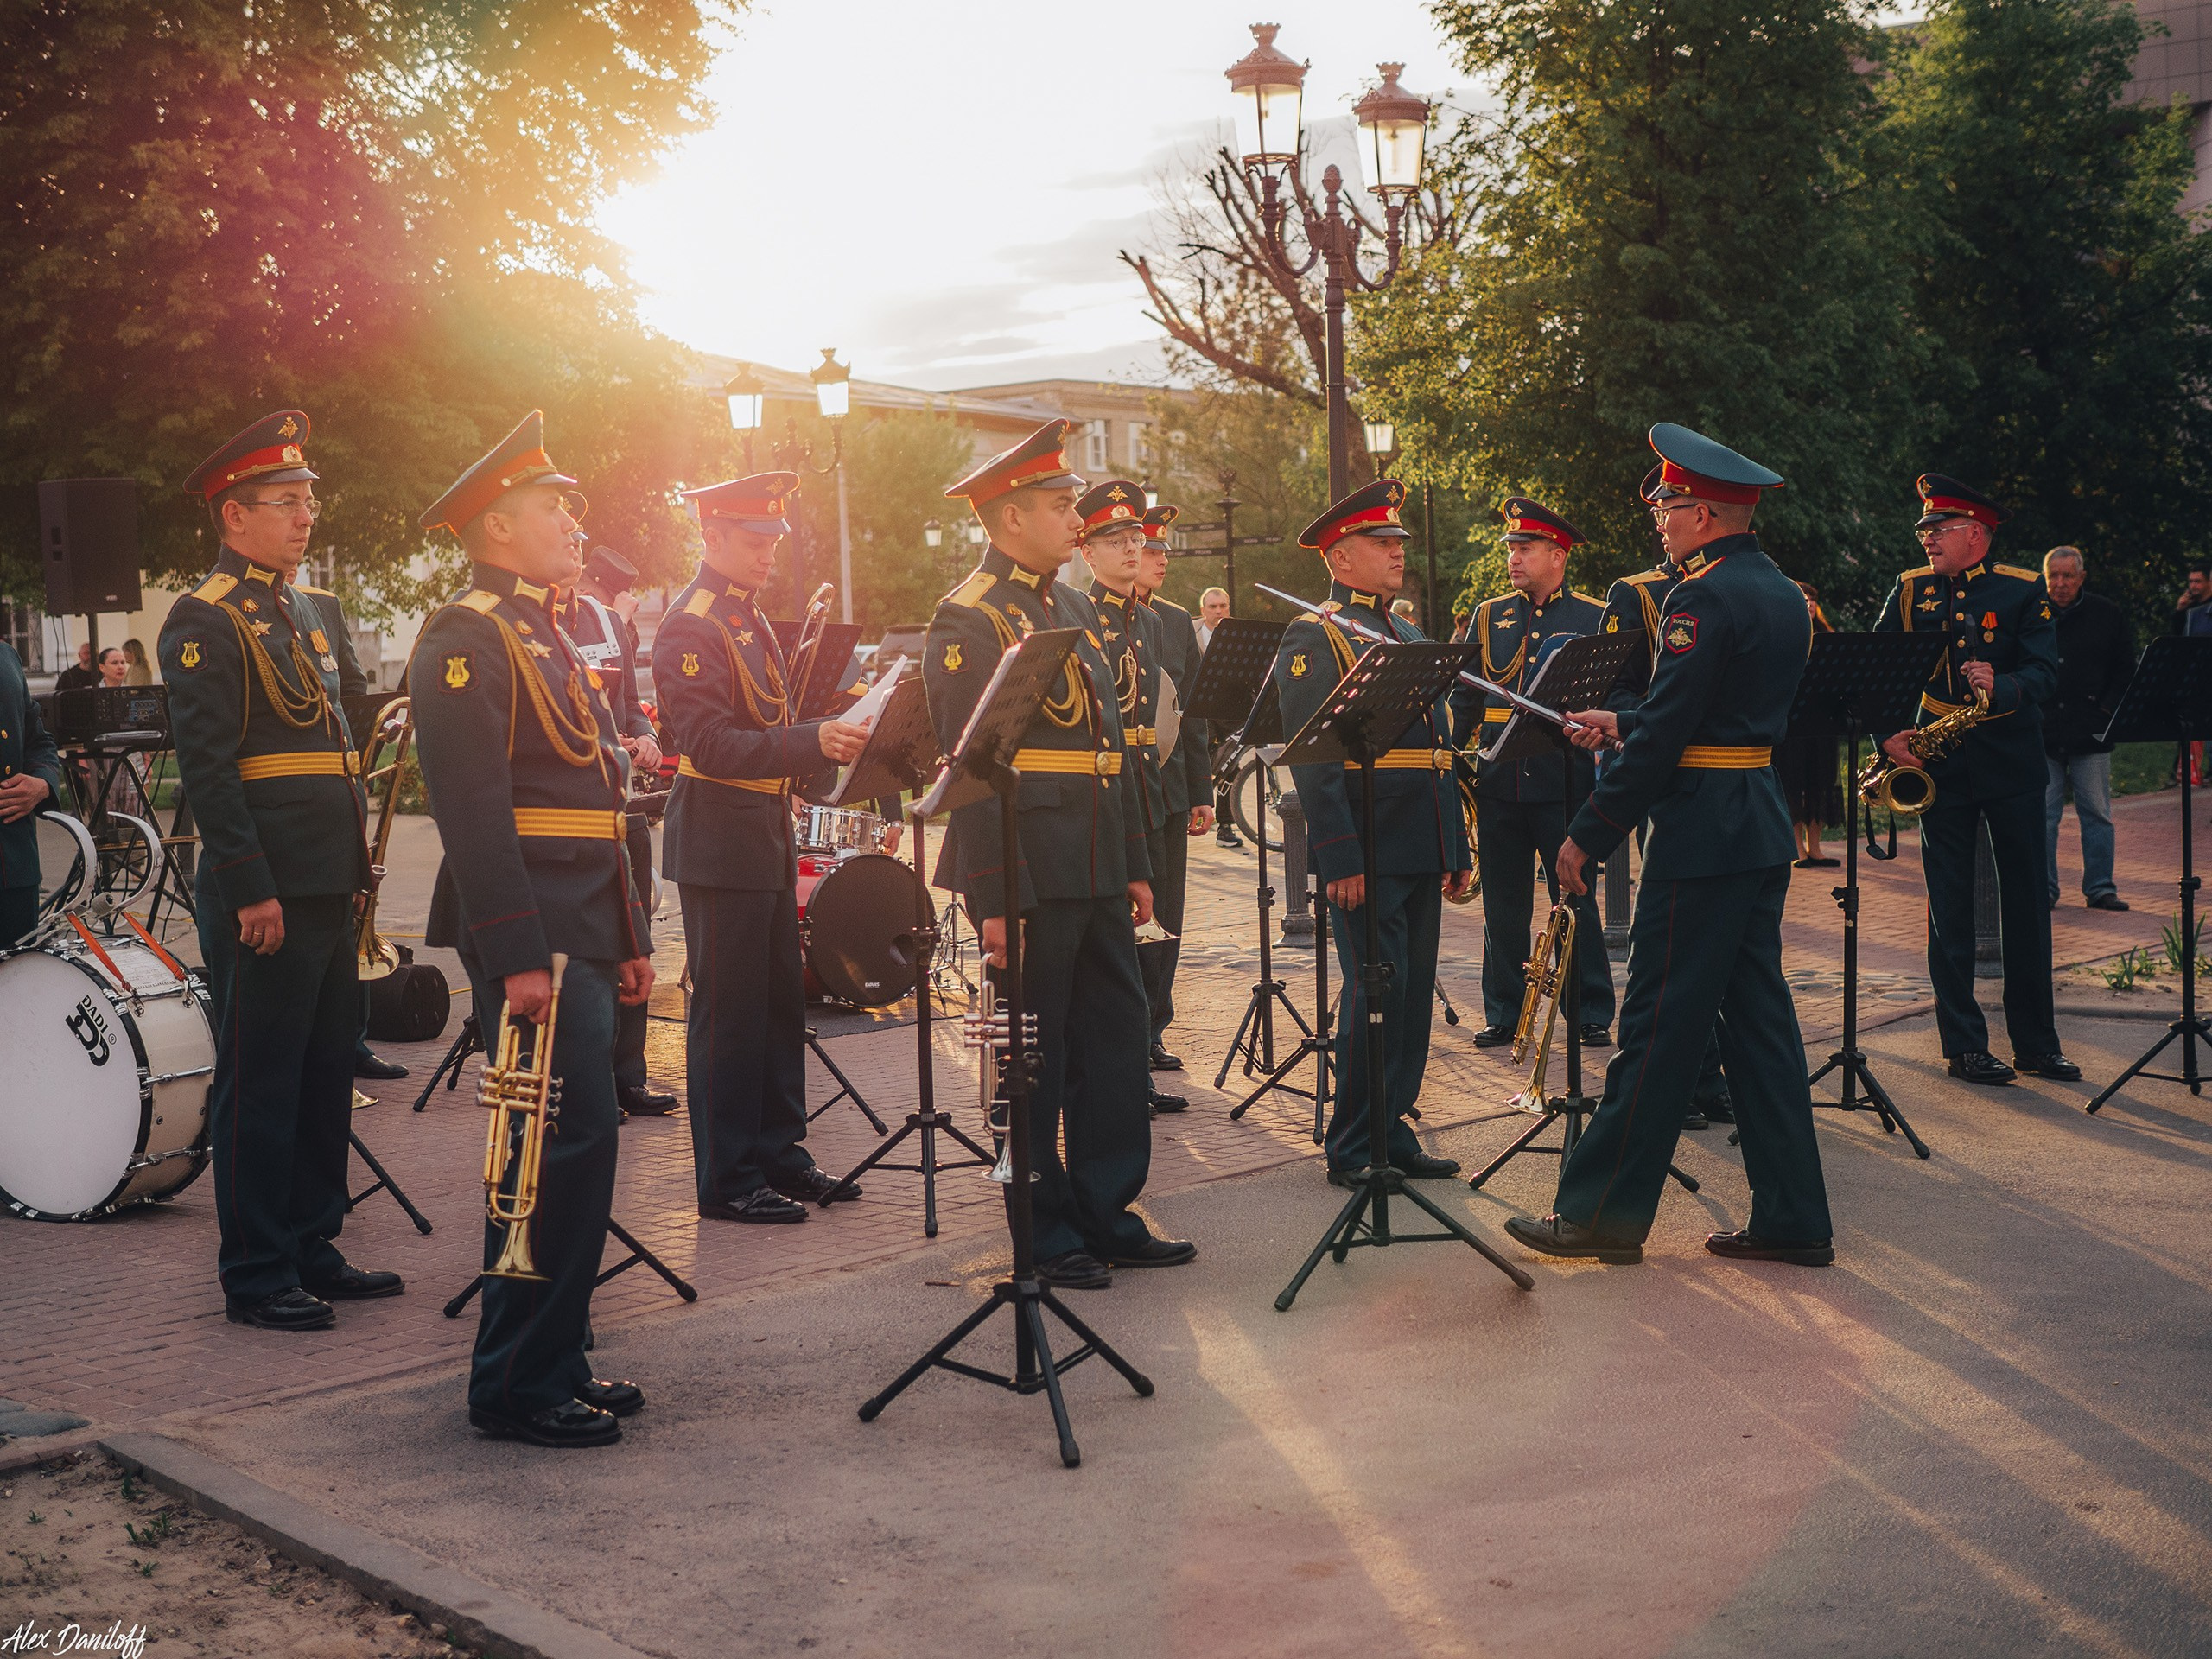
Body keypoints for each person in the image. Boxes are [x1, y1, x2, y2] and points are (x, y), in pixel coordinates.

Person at [1509, 423, 1832, 1267]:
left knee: (1654, 1027)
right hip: (1754, 821)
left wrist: (1589, 834)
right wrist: (1628, 717)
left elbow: (1664, 745)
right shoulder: (1778, 592)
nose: (1659, 517)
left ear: (1708, 511)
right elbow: (1709, 716)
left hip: (1700, 837)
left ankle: (1598, 1217)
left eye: (1670, 504)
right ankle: (1794, 1219)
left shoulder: (1701, 599)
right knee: (1761, 1032)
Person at [409, 410, 654, 1447]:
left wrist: (631, 930)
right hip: (537, 935)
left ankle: (558, 1354)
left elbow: (601, 798)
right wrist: (513, 953)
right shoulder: (465, 634)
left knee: (583, 1150)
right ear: (495, 526)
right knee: (546, 1154)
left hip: (585, 921)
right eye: (554, 507)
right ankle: (513, 1383)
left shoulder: (547, 630)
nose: (573, 521)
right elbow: (470, 810)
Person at [922, 418, 1192, 1288]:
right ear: (1007, 520)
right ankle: (1040, 1230)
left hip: (1099, 865)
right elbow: (970, 771)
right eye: (1058, 504)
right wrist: (994, 900)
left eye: (1072, 500)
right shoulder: (967, 615)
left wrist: (1137, 861)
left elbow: (1113, 747)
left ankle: (1107, 1211)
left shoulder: (1072, 605)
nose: (1075, 517)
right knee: (1032, 1059)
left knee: (1114, 1046)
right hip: (1028, 866)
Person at [157, 410, 397, 1332]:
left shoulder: (301, 608)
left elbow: (333, 746)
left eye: (308, 500)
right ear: (234, 515)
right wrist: (250, 882)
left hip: (326, 879)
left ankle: (311, 1242)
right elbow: (211, 771)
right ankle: (256, 1271)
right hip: (266, 890)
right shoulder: (202, 617)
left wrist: (354, 862)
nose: (306, 516)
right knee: (262, 1080)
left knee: (325, 1069)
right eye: (286, 502)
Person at [652, 472, 866, 1224]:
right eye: (753, 540)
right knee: (729, 1017)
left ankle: (782, 1154)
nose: (768, 554)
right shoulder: (692, 624)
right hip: (719, 839)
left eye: (774, 540)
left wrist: (818, 739)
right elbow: (707, 742)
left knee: (777, 1010)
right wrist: (809, 740)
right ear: (710, 538)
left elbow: (766, 722)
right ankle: (728, 1178)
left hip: (762, 834)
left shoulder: (744, 616)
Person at [1274, 477, 1472, 1186]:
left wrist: (1456, 844)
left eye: (1397, 541)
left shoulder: (1407, 631)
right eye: (1380, 542)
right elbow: (1316, 756)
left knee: (1414, 992)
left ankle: (1394, 1126)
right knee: (1374, 992)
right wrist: (1338, 856)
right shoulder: (1317, 632)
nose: (1396, 552)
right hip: (1370, 844)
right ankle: (1354, 1144)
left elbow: (1439, 746)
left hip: (1420, 839)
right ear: (1339, 558)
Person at [1874, 474, 2075, 1085]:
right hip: (1940, 763)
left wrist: (2004, 685)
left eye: (1939, 529)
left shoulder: (2021, 590)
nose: (1927, 538)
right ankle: (1964, 1045)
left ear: (1976, 536)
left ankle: (2036, 1044)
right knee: (1950, 908)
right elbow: (1875, 669)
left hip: (2012, 759)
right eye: (1926, 530)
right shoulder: (1910, 589)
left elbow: (2046, 671)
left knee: (2026, 905)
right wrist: (1887, 734)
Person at [1598, 474, 1737, 1131]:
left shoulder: (1732, 585)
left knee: (1711, 946)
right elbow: (1617, 689)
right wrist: (1650, 722)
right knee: (1672, 946)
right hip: (1663, 775)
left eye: (1668, 507)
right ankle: (1682, 1079)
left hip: (1720, 779)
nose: (1659, 519)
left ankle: (1706, 1078)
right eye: (1655, 508)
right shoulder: (1638, 593)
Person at [1459, 497, 1615, 1052]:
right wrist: (1453, 763)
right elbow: (1463, 697)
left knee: (1574, 899)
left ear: (1558, 555)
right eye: (1511, 549)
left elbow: (1613, 701)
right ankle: (1504, 1010)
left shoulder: (1595, 617)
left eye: (1525, 549)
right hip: (1498, 785)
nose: (1514, 559)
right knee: (1503, 906)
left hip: (1563, 783)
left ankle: (1589, 1009)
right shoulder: (1488, 614)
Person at [1078, 480, 1186, 1116]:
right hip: (1107, 794)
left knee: (1147, 943)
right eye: (1113, 541)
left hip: (1147, 791)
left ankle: (1136, 1072)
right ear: (1087, 552)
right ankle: (1116, 1082)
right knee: (1114, 952)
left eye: (1134, 540)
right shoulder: (1079, 613)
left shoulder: (1147, 620)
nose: (1129, 549)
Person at [561, 544, 675, 1118]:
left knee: (636, 939)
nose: (573, 550)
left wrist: (641, 735)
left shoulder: (606, 619)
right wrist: (611, 741)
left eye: (580, 541)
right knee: (593, 947)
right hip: (580, 812)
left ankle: (630, 1074)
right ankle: (594, 1079)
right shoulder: (535, 623)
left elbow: (628, 705)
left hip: (626, 809)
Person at [1137, 504, 1215, 1078]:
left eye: (1165, 551)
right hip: (1118, 796)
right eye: (1150, 550)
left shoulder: (1175, 619)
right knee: (1123, 918)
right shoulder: (1085, 612)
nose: (1162, 559)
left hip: (1166, 794)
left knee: (1167, 916)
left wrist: (1200, 791)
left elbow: (1190, 716)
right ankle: (1124, 1030)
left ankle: (1153, 1028)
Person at [2041, 545, 2133, 912]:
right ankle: (2044, 890)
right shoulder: (2033, 613)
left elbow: (2124, 667)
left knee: (2096, 813)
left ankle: (2100, 888)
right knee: (2043, 816)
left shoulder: (2106, 614)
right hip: (2044, 730)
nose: (2060, 584)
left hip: (2091, 730)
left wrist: (2106, 709)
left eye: (2067, 576)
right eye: (2053, 576)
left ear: (2081, 577)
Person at [1775, 582, 1842, 868]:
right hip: (1793, 723)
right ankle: (1797, 849)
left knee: (1820, 782)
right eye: (1803, 599)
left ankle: (1815, 848)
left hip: (1823, 721)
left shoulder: (1828, 636)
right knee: (1795, 783)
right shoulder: (1783, 635)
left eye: (1813, 599)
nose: (1810, 604)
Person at [0, 636, 60, 947]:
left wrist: (42, 783)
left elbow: (39, 741)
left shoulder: (6, 656)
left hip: (15, 867)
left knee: (20, 982)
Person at [1196, 586, 1243, 848]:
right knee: (1201, 760)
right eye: (1213, 607)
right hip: (1201, 711)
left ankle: (1225, 827)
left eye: (1223, 606)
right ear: (1202, 610)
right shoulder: (1191, 631)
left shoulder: (1239, 635)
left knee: (1231, 768)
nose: (1218, 611)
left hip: (1229, 711)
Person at [2172, 561, 2212, 636]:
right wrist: (2180, 610)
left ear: (2209, 582)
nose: (2193, 586)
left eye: (2197, 581)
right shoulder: (2189, 607)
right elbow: (2177, 635)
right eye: (2191, 581)